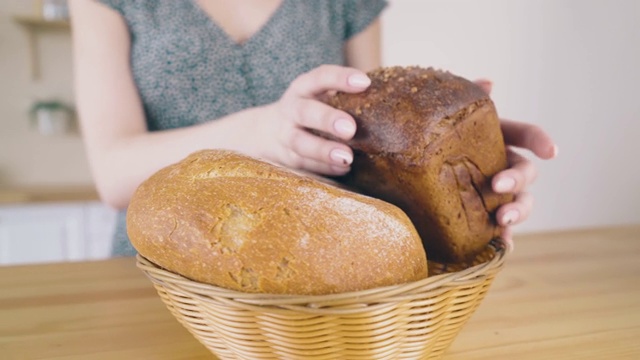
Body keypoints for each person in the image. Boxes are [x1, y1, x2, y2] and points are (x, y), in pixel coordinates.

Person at [68, 0, 557, 257]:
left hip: (311, 270)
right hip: (163, 265)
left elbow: (373, 151)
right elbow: (112, 172)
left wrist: (468, 172)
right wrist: (262, 133)